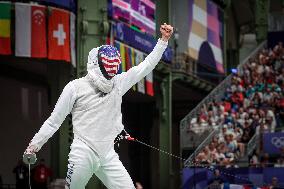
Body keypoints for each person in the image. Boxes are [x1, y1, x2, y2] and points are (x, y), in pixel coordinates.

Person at [24, 23, 173, 189]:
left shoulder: (118, 83)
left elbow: (146, 66)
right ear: (97, 63)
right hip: (83, 152)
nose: (111, 69)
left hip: (107, 154)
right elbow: (54, 121)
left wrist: (163, 41)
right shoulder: (75, 87)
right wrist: (34, 145)